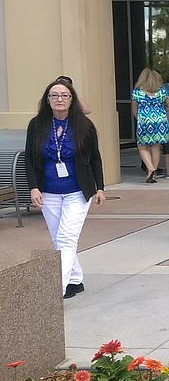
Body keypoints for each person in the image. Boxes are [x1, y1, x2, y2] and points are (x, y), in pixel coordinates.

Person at [25, 79, 106, 299]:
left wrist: (100, 188)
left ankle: (56, 290)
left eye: (64, 95)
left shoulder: (84, 125)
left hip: (78, 191)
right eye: (54, 95)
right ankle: (75, 280)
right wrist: (33, 187)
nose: (59, 99)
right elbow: (30, 160)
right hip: (48, 191)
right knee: (58, 239)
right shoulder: (36, 124)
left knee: (67, 238)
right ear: (47, 100)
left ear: (72, 100)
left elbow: (95, 158)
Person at [131, 67, 169, 183]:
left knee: (142, 146)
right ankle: (152, 171)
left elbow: (134, 109)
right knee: (156, 147)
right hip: (160, 121)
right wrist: (161, 112)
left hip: (144, 121)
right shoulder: (162, 92)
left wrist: (141, 119)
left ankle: (150, 168)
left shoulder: (137, 92)